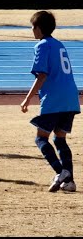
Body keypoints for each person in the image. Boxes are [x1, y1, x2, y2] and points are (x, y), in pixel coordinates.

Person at [21, 10, 80, 193]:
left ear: (38, 28)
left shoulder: (42, 46)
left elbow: (42, 75)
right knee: (60, 139)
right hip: (71, 98)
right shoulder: (60, 44)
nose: (32, 30)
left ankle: (61, 172)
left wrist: (27, 99)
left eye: (33, 26)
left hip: (54, 99)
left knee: (41, 138)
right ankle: (69, 182)